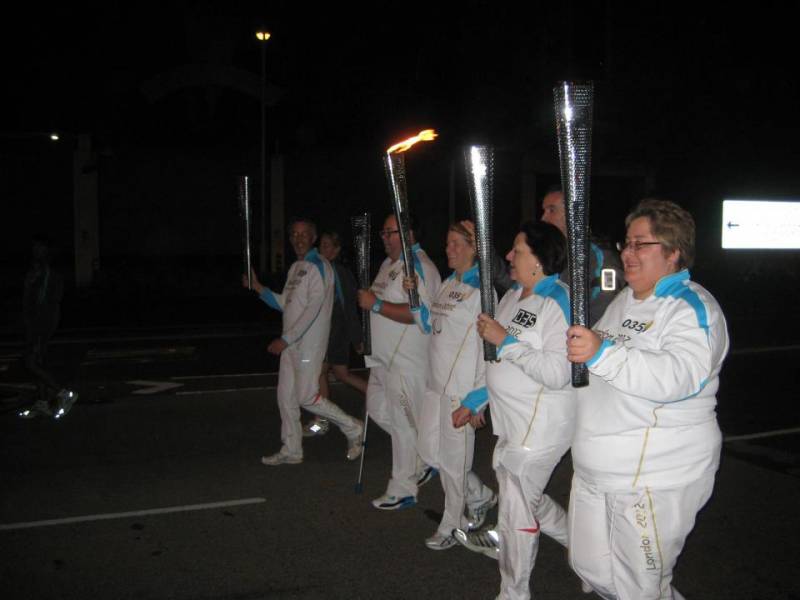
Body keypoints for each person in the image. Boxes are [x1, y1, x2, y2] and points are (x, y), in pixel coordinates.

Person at [565, 199, 729, 599]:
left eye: (641, 244)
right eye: (626, 243)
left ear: (673, 252)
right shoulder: (625, 300)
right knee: (590, 567)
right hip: (597, 468)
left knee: (639, 586)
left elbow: (681, 375)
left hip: (655, 475)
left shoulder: (690, 307)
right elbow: (597, 366)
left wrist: (602, 352)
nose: (627, 252)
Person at [452, 221, 574, 600]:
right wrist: (474, 402)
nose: (508, 256)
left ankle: (513, 593)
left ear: (538, 259)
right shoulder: (512, 298)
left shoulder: (560, 301)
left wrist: (505, 341)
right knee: (527, 500)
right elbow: (498, 365)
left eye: (517, 250)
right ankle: (586, 548)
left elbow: (558, 373)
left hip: (542, 427)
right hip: (512, 423)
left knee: (515, 512)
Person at [405, 222, 496, 549]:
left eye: (458, 244)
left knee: (455, 464)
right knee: (430, 452)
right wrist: (414, 297)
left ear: (474, 248)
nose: (450, 250)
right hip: (435, 385)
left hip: (460, 390)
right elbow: (430, 326)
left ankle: (452, 525)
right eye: (448, 244)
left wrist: (477, 399)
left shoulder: (482, 291)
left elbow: (490, 350)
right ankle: (480, 496)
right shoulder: (446, 284)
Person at [244, 218, 363, 465]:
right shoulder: (296, 268)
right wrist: (258, 287)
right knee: (285, 397)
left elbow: (313, 309)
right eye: (294, 235)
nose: (298, 239)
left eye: (303, 234)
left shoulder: (320, 267)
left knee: (307, 396)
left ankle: (354, 428)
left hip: (309, 344)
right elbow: (284, 304)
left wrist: (285, 339)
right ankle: (292, 449)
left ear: (313, 237)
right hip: (292, 343)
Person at [356, 214, 441, 510]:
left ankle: (404, 487)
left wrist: (376, 304)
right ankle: (425, 457)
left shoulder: (419, 267)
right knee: (377, 408)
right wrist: (368, 336)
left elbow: (423, 317)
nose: (385, 238)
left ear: (409, 234)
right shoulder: (387, 265)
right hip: (381, 359)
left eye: (391, 233)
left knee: (405, 425)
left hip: (406, 362)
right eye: (383, 232)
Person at [303, 231, 368, 437]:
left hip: (334, 334)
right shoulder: (321, 270)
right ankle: (379, 395)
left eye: (328, 246)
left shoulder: (338, 273)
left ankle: (321, 420)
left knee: (317, 374)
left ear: (337, 250)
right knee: (342, 374)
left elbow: (350, 308)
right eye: (322, 245)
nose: (324, 249)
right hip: (328, 332)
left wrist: (357, 338)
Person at [540, 187, 624, 325]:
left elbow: (604, 310)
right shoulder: (550, 251)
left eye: (551, 210)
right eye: (544, 211)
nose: (543, 218)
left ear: (574, 213)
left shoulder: (601, 257)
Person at [18, 237, 76, 420]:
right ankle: (43, 403)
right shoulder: (39, 272)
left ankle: (63, 393)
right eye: (34, 249)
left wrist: (39, 326)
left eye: (40, 250)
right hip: (39, 323)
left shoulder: (46, 274)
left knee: (31, 363)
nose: (36, 253)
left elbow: (44, 302)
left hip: (40, 324)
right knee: (38, 362)